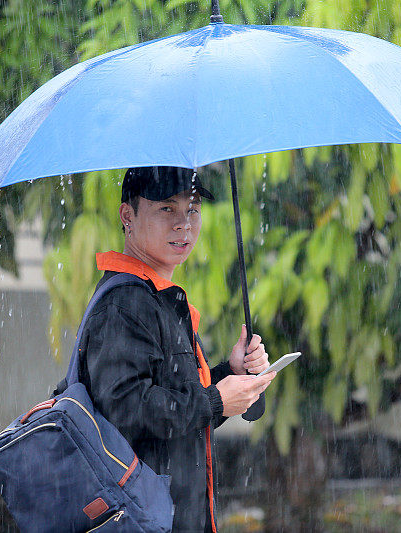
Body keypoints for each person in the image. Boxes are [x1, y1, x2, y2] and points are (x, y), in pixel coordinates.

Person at [79, 166, 276, 532]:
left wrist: (229, 375)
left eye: (193, 209)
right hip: (142, 520)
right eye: (167, 209)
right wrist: (215, 401)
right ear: (128, 216)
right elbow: (127, 409)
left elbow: (176, 410)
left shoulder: (157, 300)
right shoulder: (124, 305)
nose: (184, 224)